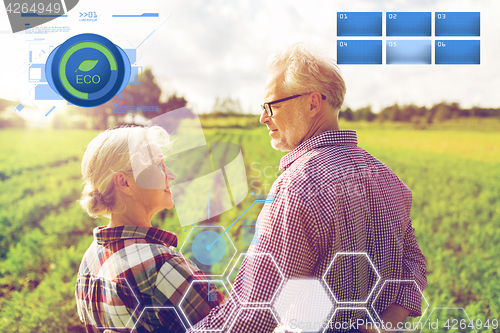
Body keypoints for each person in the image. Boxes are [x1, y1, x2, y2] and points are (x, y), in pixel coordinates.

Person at [188, 43, 428, 332]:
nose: (263, 118)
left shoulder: (297, 186)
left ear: (313, 103)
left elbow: (253, 313)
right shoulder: (388, 178)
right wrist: (381, 326)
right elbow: (414, 266)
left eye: (272, 105)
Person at [75, 125, 225, 333]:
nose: (170, 175)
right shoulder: (162, 267)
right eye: (158, 165)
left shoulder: (90, 260)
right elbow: (231, 326)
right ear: (124, 182)